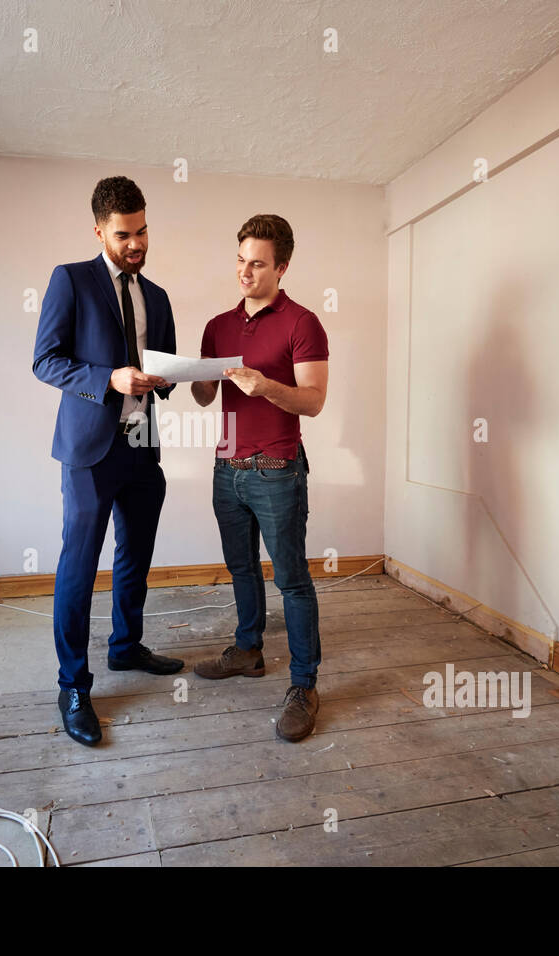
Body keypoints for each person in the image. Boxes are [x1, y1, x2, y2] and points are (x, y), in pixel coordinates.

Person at [32, 176, 184, 747]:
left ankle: (126, 646)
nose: (136, 243)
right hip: (89, 450)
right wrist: (108, 378)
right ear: (99, 231)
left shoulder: (159, 297)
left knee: (136, 553)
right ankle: (73, 684)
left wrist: (169, 378)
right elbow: (45, 361)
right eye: (124, 234)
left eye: (143, 231)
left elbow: (162, 370)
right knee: (79, 565)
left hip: (143, 442)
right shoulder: (70, 280)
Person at [190, 214, 329, 742]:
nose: (245, 272)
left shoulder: (303, 322)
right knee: (241, 569)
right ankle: (248, 651)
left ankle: (304, 684)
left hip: (277, 471)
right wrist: (195, 379)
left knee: (291, 579)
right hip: (227, 470)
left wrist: (266, 386)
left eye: (257, 264)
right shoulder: (218, 325)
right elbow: (206, 396)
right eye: (240, 261)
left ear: (282, 266)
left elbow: (313, 402)